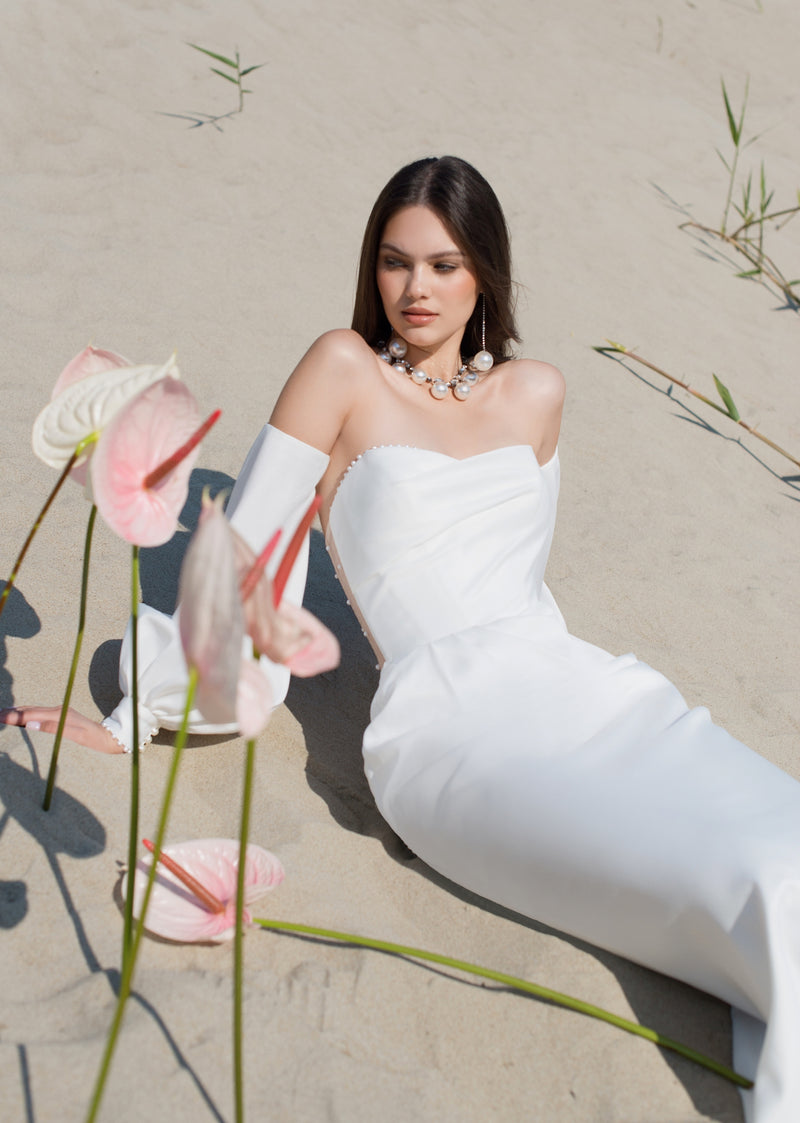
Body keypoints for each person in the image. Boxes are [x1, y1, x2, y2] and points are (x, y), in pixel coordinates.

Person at [2, 156, 799, 1122]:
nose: (416, 289)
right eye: (394, 262)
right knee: (755, 882)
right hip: (452, 734)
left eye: (444, 266)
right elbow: (246, 565)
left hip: (590, 693)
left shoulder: (539, 393)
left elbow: (520, 584)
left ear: (485, 276)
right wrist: (135, 723)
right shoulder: (342, 371)